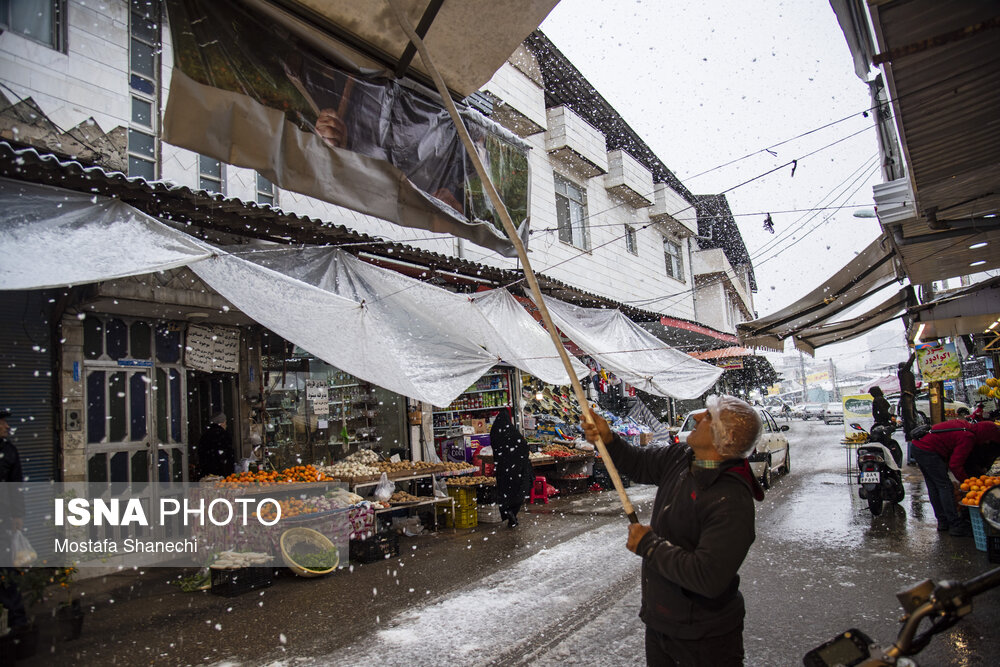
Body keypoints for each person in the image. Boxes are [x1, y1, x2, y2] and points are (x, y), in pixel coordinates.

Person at [583, 395, 764, 666]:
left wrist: (650, 546)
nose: (699, 416)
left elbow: (707, 576)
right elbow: (640, 464)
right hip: (662, 624)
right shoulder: (683, 458)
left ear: (726, 438)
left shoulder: (731, 498)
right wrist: (609, 439)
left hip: (704, 638)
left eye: (710, 416)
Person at [911, 419, 999, 535]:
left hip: (918, 446)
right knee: (945, 486)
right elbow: (955, 465)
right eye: (988, 440)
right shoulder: (968, 437)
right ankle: (955, 525)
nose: (987, 442)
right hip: (928, 450)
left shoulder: (965, 426)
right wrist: (968, 483)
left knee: (934, 486)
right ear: (985, 435)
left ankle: (943, 522)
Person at [0, 409, 28, 630]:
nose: (6, 426)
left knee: (7, 567)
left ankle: (16, 620)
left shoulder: (8, 451)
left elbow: (15, 485)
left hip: (3, 519)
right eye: (2, 422)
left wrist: (17, 514)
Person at [489, 410, 533, 528]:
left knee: (505, 491)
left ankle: (508, 511)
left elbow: (496, 448)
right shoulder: (511, 432)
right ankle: (512, 512)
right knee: (519, 490)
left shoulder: (495, 431)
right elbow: (523, 446)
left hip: (503, 469)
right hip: (516, 469)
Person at [195, 412, 236, 479]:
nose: (226, 425)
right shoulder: (224, 434)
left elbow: (201, 453)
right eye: (225, 422)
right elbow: (228, 454)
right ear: (222, 423)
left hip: (207, 470)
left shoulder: (205, 435)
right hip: (221, 470)